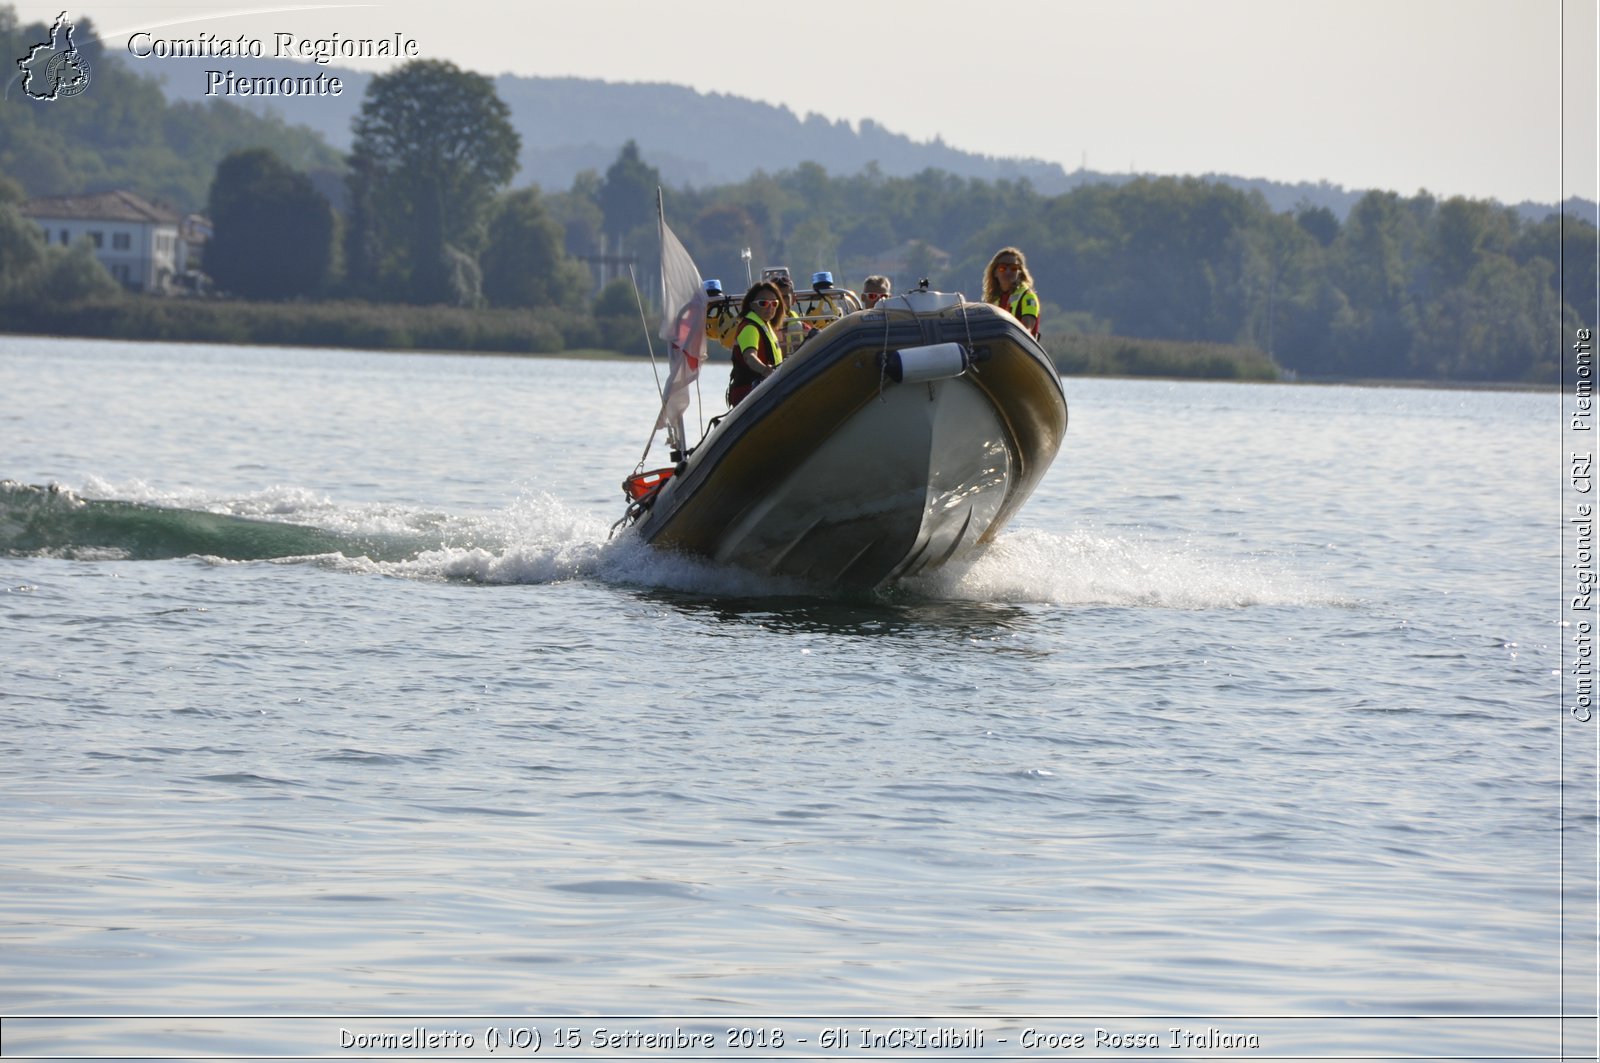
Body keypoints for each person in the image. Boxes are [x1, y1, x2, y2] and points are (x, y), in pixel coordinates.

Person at [726, 280, 784, 407]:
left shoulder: (766, 326)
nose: (770, 307)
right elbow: (749, 357)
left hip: (766, 390)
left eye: (774, 303)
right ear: (751, 305)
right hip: (750, 393)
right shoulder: (750, 327)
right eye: (763, 303)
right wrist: (767, 372)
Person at [982, 247, 1039, 337]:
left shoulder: (1028, 297)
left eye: (1013, 268)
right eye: (1002, 268)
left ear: (1019, 272)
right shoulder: (991, 301)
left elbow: (1027, 330)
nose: (1008, 272)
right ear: (995, 272)